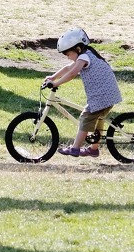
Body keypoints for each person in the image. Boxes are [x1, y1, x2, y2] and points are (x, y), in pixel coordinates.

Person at [44, 27, 122, 157]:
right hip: (107, 95)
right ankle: (93, 149)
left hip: (101, 97)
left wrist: (56, 83)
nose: (68, 58)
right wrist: (53, 77)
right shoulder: (86, 55)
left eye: (68, 54)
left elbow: (72, 73)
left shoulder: (85, 57)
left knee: (85, 117)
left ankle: (75, 148)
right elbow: (68, 68)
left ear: (78, 49)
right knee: (98, 120)